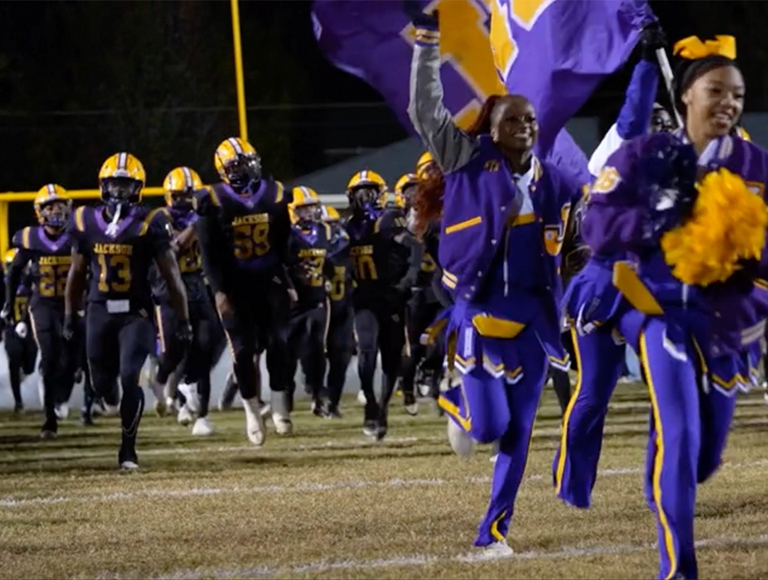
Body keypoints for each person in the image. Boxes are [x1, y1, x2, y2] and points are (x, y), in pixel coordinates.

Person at [557, 35, 768, 579]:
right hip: (656, 309)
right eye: (715, 90)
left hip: (722, 319)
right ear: (687, 98)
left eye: (738, 95)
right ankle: (678, 569)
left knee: (703, 456)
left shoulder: (753, 163)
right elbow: (597, 227)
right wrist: (658, 217)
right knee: (676, 430)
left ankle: (668, 465)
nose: (728, 102)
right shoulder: (642, 154)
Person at [408, 9, 583, 555]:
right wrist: (427, 45)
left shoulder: (555, 182)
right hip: (480, 315)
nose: (524, 127)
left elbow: (574, 245)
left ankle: (492, 534)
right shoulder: (465, 160)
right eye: (512, 120)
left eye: (530, 120)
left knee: (518, 434)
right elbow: (425, 110)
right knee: (485, 428)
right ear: (490, 127)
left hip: (533, 322)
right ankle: (454, 400)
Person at [64, 152, 191, 469]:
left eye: (126, 185)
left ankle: (128, 451)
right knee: (102, 383)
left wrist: (183, 318)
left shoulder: (150, 222)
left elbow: (172, 274)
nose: (119, 192)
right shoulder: (85, 220)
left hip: (136, 313)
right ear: (103, 186)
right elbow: (77, 274)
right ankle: (106, 398)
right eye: (114, 185)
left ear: (137, 188)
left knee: (129, 377)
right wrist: (69, 314)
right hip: (99, 309)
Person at [193, 137, 295, 440]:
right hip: (235, 286)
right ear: (224, 169)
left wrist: (288, 282)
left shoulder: (274, 194)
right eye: (237, 164)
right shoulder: (212, 199)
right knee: (242, 351)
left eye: (248, 161)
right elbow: (208, 252)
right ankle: (251, 410)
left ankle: (279, 405)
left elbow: (283, 243)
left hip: (268, 279)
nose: (246, 168)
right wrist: (219, 291)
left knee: (279, 341)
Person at [3, 184, 78, 438]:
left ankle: (59, 401)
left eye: (60, 205)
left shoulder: (77, 237)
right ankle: (49, 419)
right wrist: (8, 303)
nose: (55, 210)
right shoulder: (31, 239)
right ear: (39, 211)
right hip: (43, 304)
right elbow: (13, 272)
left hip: (71, 305)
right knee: (48, 357)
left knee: (70, 361)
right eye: (50, 206)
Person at [153, 166, 219, 436]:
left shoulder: (203, 216)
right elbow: (175, 247)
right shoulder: (160, 218)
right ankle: (162, 382)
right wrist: (197, 223)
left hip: (196, 284)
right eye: (178, 196)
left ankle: (201, 414)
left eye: (187, 196)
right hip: (168, 288)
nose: (182, 201)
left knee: (207, 344)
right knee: (174, 350)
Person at [344, 169, 410, 439]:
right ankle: (370, 404)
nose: (365, 198)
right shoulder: (347, 227)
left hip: (391, 297)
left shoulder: (391, 219)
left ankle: (382, 408)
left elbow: (413, 251)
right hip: (364, 299)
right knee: (367, 350)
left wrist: (407, 282)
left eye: (370, 192)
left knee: (392, 358)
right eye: (360, 193)